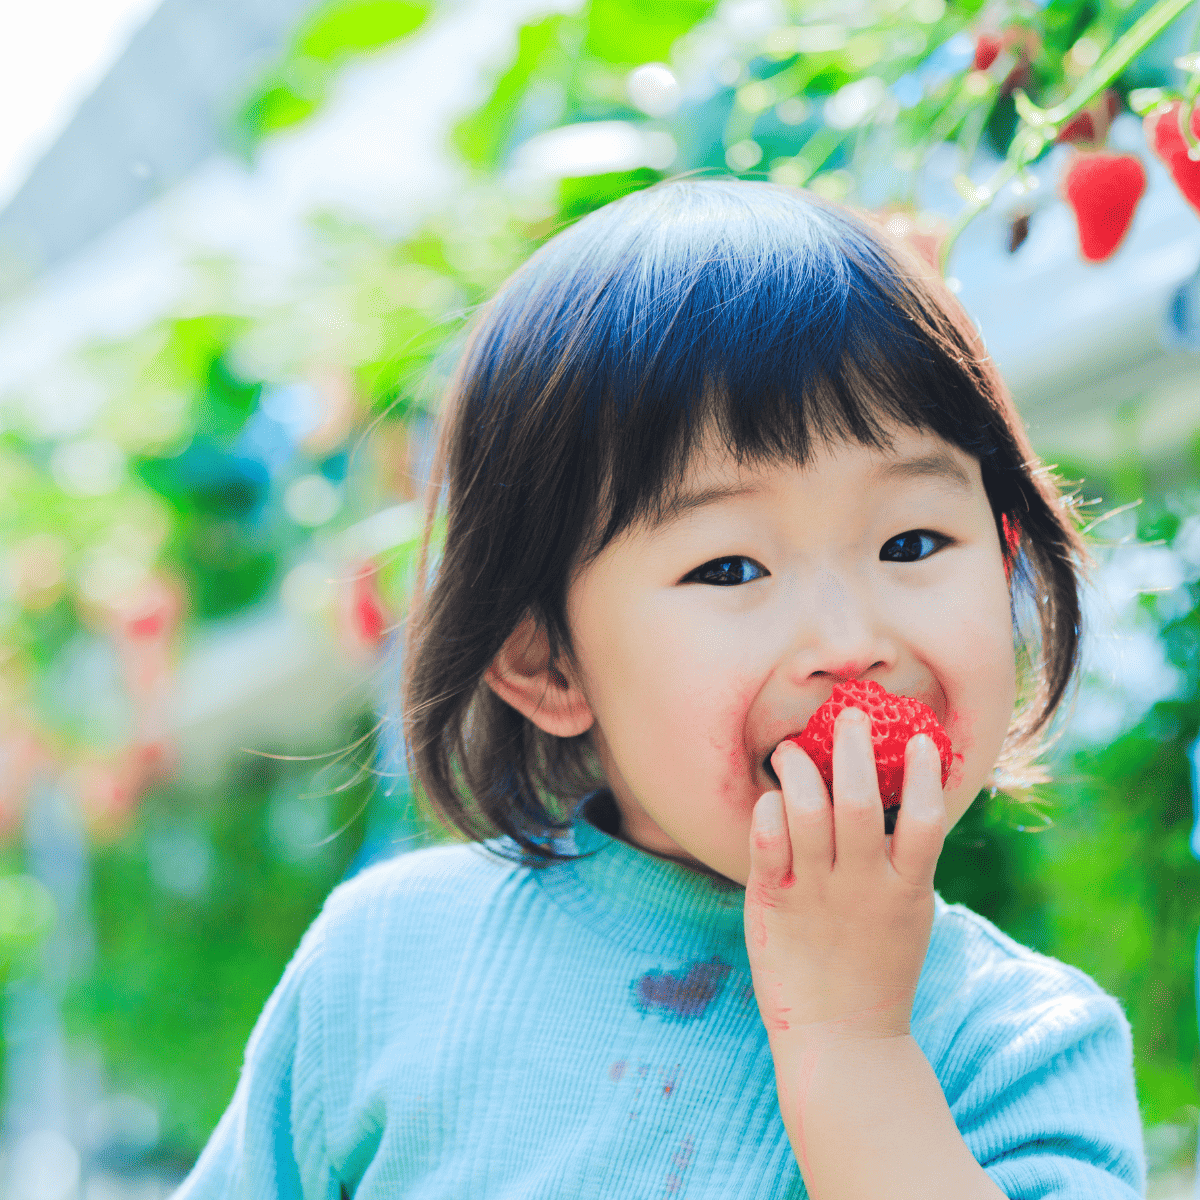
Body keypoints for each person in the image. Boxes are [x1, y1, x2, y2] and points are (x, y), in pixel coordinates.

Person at [173, 179, 1145, 1199]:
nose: (850, 642)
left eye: (911, 542)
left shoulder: (1023, 1048)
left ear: (1004, 561)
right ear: (547, 661)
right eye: (729, 568)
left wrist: (854, 1045)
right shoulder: (390, 965)